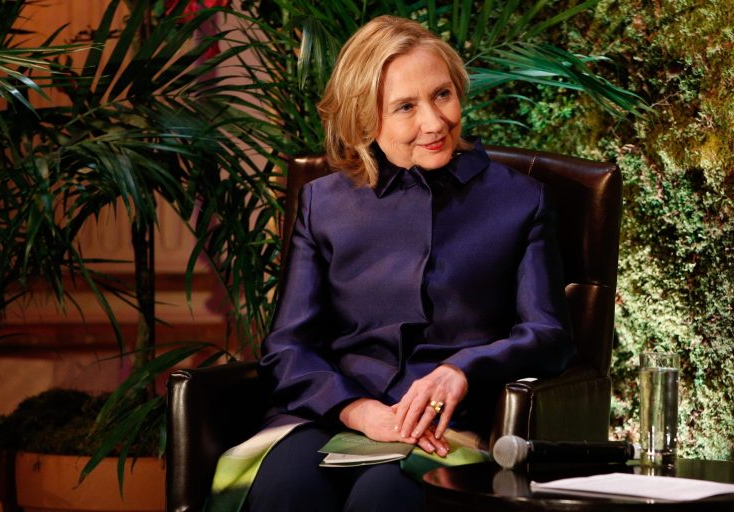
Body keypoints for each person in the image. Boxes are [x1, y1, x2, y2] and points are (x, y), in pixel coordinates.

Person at [239, 14, 575, 512]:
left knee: (383, 498)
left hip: (450, 428)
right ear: (364, 120)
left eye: (442, 94)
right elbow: (289, 347)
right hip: (334, 415)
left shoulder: (521, 200)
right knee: (285, 494)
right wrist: (358, 410)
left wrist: (461, 369)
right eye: (405, 107)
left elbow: (549, 335)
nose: (435, 122)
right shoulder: (323, 204)